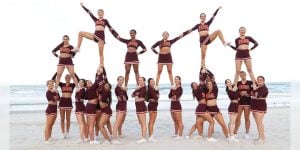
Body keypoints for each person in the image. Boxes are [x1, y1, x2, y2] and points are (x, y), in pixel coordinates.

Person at [186, 68, 216, 142]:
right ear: (193, 87)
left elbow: (208, 79)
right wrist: (203, 72)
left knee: (198, 123)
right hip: (201, 108)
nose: (196, 85)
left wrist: (205, 72)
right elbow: (202, 79)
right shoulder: (197, 90)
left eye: (196, 84)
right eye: (194, 85)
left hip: (200, 108)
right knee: (212, 122)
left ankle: (189, 135)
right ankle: (209, 137)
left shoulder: (200, 89)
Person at [203, 68, 230, 141]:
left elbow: (212, 76)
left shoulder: (215, 89)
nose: (209, 85)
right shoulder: (205, 90)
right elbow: (202, 78)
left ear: (212, 84)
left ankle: (228, 137)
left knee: (223, 124)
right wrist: (203, 72)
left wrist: (206, 70)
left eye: (210, 84)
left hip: (215, 109)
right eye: (208, 84)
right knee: (199, 122)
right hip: (208, 110)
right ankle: (207, 137)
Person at [52, 73, 79, 139]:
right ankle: (63, 133)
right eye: (66, 77)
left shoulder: (72, 85)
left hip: (69, 102)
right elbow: (53, 80)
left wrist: (73, 73)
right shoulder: (62, 84)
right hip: (62, 101)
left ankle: (67, 132)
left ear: (70, 78)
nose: (67, 78)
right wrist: (57, 73)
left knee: (68, 119)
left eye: (68, 77)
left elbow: (78, 80)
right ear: (64, 78)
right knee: (62, 119)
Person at [84, 66, 106, 144]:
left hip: (89, 107)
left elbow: (99, 83)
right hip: (91, 107)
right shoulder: (91, 88)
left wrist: (99, 74)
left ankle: (89, 139)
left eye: (90, 82)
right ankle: (92, 140)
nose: (90, 83)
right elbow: (97, 82)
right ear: (86, 85)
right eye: (88, 83)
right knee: (91, 125)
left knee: (90, 124)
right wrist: (98, 74)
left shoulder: (89, 89)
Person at [233, 71, 253, 139]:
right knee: (237, 118)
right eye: (241, 75)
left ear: (246, 74)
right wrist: (239, 94)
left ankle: (247, 133)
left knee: (247, 118)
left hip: (247, 102)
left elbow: (254, 90)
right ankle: (235, 132)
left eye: (243, 74)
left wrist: (248, 94)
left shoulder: (250, 82)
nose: (242, 76)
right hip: (240, 103)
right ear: (240, 76)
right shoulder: (238, 83)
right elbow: (234, 91)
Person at [250, 76, 268, 144]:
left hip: (260, 106)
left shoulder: (264, 88)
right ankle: (262, 136)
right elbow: (252, 94)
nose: (259, 81)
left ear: (263, 81)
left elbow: (258, 96)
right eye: (258, 80)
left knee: (259, 122)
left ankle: (261, 138)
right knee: (258, 122)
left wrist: (254, 89)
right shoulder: (257, 87)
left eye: (261, 80)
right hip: (254, 106)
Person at [112, 76, 128, 144]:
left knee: (121, 121)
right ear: (117, 80)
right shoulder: (117, 88)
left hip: (124, 106)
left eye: (122, 80)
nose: (121, 81)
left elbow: (126, 98)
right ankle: (114, 139)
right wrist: (122, 96)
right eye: (120, 80)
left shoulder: (123, 88)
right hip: (120, 106)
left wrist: (124, 95)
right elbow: (121, 97)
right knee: (117, 123)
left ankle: (120, 134)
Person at [132, 77, 148, 144]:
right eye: (139, 80)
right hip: (138, 107)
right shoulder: (138, 88)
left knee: (143, 123)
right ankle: (142, 136)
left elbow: (139, 99)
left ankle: (143, 138)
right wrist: (136, 91)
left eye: (141, 80)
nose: (139, 81)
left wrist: (136, 95)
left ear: (144, 81)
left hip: (141, 106)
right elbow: (132, 95)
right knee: (141, 123)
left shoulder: (145, 88)